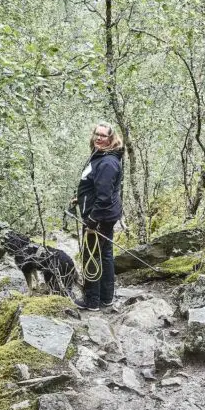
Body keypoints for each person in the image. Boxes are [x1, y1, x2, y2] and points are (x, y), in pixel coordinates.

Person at [73, 121, 124, 311]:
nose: (99, 138)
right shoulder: (102, 156)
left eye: (103, 136)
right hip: (104, 214)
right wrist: (80, 197)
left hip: (99, 217)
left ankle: (92, 300)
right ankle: (106, 298)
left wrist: (93, 220)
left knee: (91, 255)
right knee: (105, 255)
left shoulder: (107, 163)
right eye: (97, 134)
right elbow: (96, 185)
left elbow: (104, 196)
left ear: (111, 139)